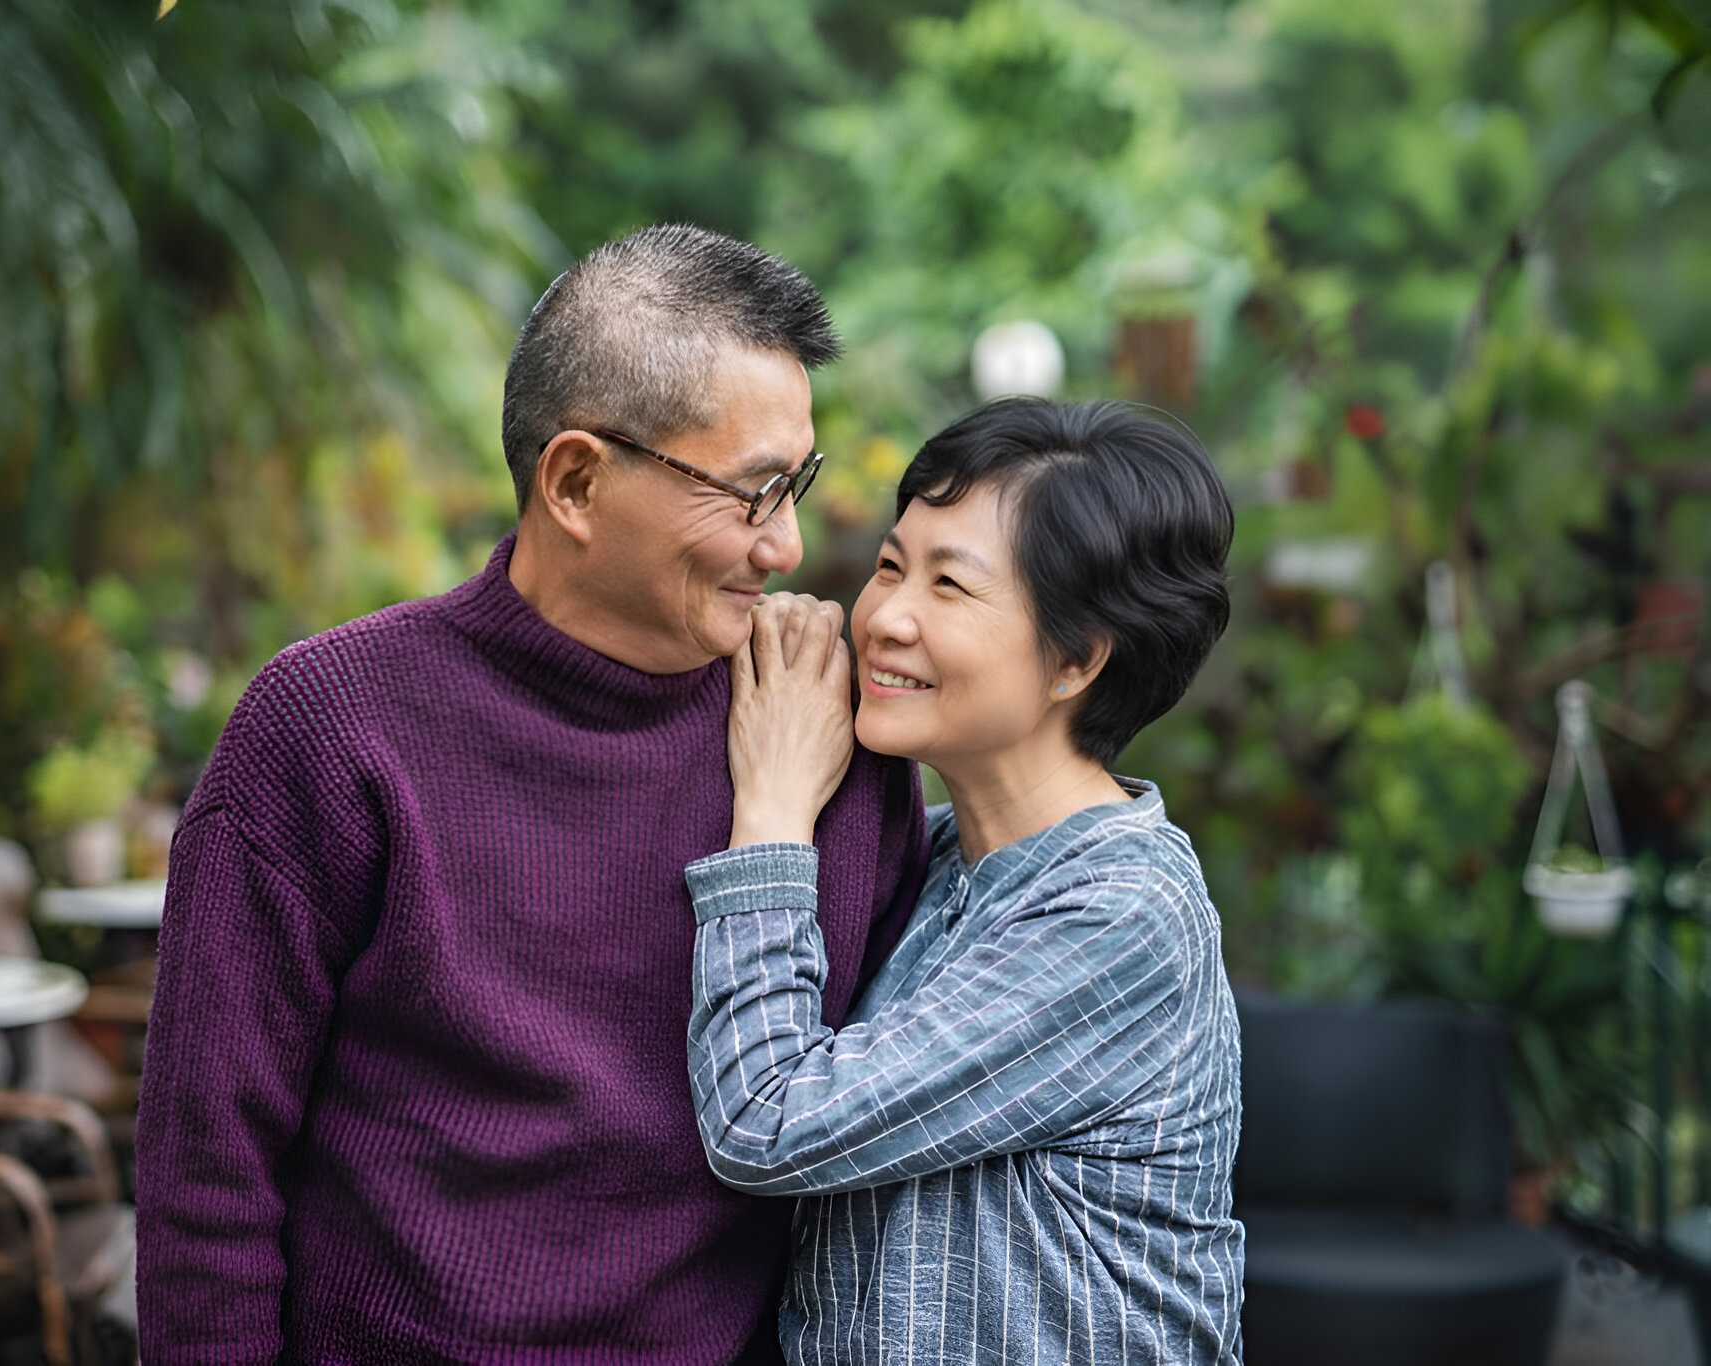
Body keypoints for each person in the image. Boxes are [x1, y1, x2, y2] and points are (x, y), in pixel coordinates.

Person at [133, 224, 928, 1364]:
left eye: (793, 487)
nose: (786, 546)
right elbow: (207, 1179)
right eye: (752, 495)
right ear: (575, 481)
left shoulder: (828, 743)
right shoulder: (329, 726)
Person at [683, 398, 1245, 1364]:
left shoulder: (1120, 915)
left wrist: (771, 809)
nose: (885, 618)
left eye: (951, 586)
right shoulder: (933, 860)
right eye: (893, 566)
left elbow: (767, 1122)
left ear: (1077, 660)